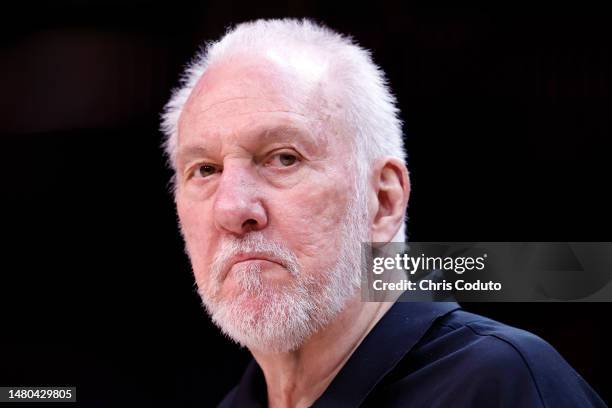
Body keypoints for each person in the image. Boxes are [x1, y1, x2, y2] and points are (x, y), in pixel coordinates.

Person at [160, 18, 606, 407]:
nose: (233, 208)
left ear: (384, 200)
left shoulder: (498, 383)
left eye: (283, 158)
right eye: (205, 170)